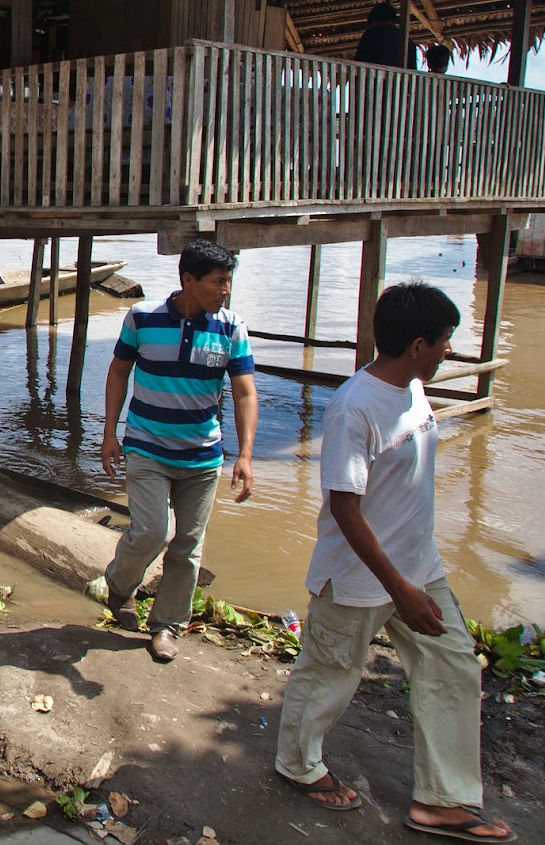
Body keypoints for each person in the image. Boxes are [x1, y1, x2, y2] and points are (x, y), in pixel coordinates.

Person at [275, 281, 514, 842]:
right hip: (359, 577)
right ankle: (297, 763)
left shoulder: (412, 388)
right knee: (329, 675)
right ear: (417, 344)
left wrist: (415, 581)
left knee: (453, 668)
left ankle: (444, 801)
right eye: (445, 341)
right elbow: (346, 508)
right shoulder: (354, 408)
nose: (449, 351)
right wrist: (399, 591)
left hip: (420, 568)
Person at [98, 239, 257, 663]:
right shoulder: (142, 318)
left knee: (188, 544)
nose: (225, 289)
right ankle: (118, 583)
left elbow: (244, 393)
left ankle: (166, 625)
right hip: (147, 447)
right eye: (218, 281)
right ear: (188, 279)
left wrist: (244, 455)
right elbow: (118, 372)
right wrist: (110, 433)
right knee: (152, 531)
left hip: (203, 456)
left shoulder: (230, 328)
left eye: (228, 281)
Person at [356, 2, 418, 69]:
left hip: (374, 78)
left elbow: (359, 63)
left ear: (373, 20)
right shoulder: (408, 41)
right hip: (400, 79)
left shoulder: (371, 34)